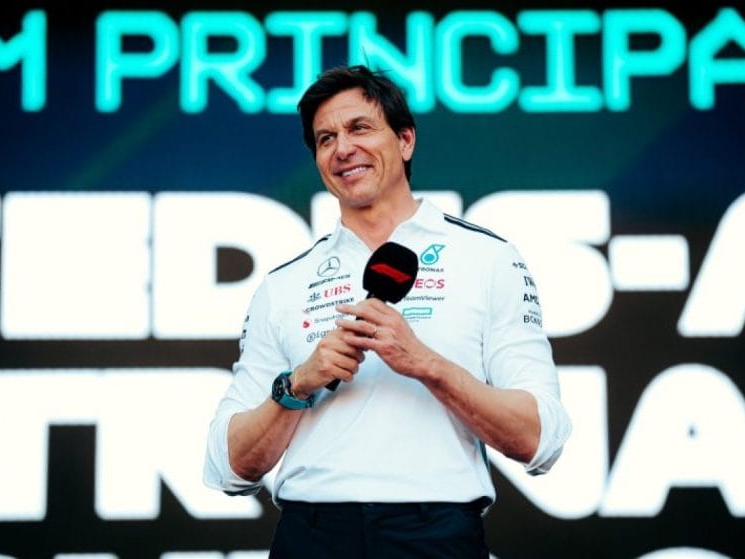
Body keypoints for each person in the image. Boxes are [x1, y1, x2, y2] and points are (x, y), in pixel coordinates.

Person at [203, 65, 571, 558]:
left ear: (405, 140)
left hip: (435, 532)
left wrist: (426, 364)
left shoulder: (488, 258)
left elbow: (539, 438)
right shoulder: (284, 284)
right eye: (326, 138)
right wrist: (297, 385)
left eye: (359, 128)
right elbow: (228, 465)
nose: (343, 148)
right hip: (313, 534)